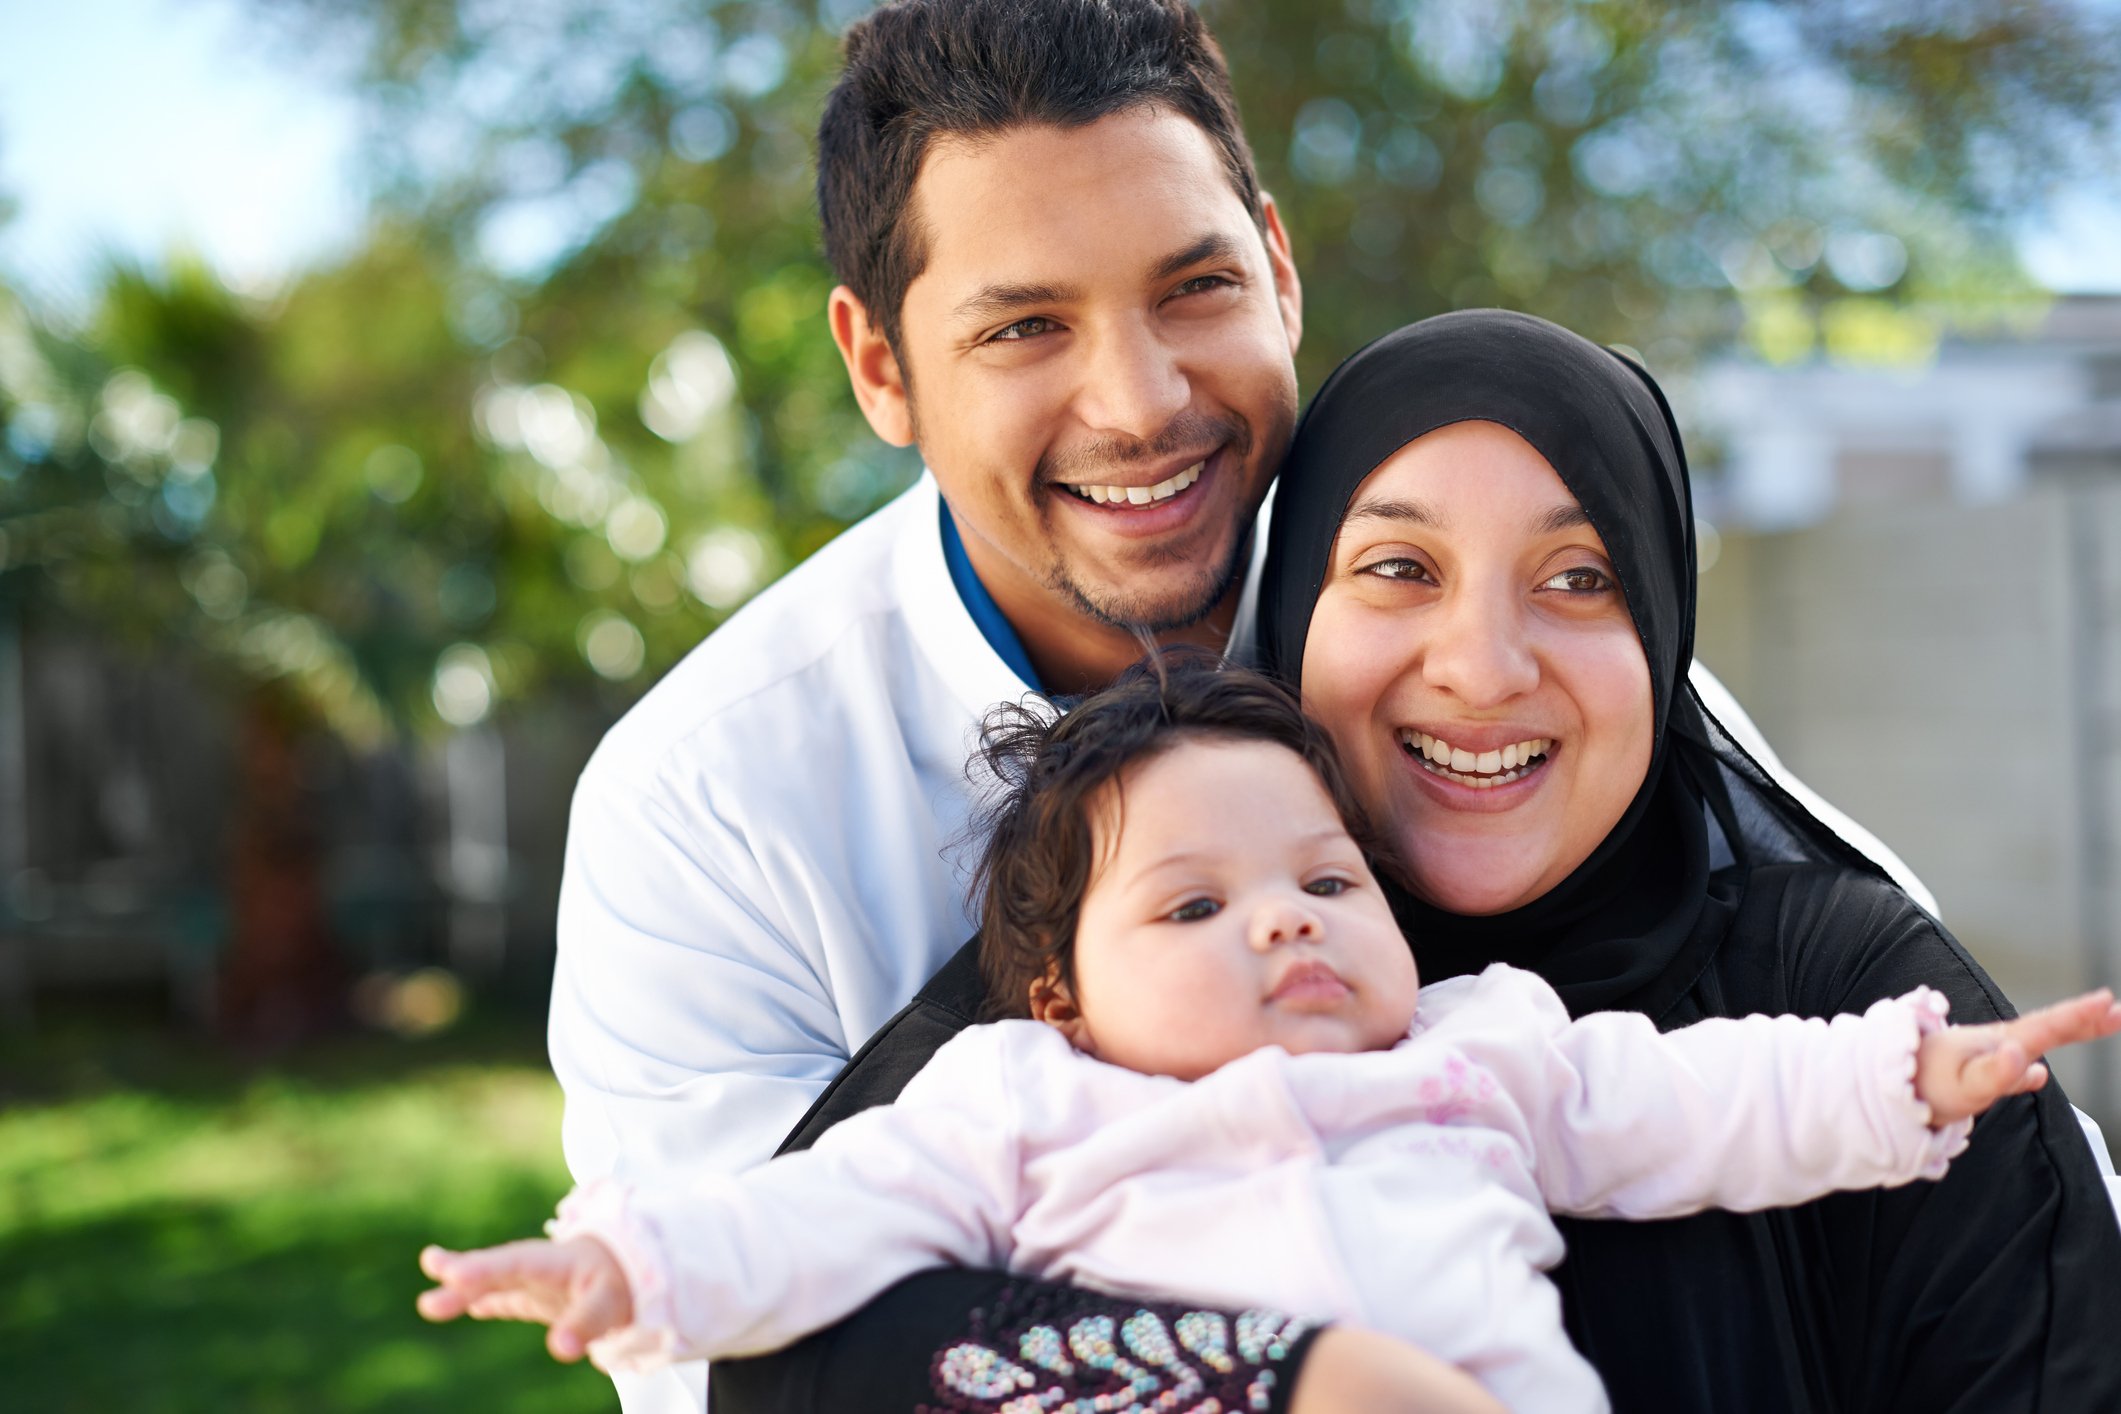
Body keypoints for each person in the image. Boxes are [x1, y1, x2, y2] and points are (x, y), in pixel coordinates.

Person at [545, 1, 1983, 1409]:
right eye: (1025, 327)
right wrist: (1282, 1379)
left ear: (1278, 269)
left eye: (1195, 288)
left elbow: (1816, 958)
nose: (1139, 399)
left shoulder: (1466, 639)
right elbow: (739, 1354)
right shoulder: (705, 805)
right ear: (880, 367)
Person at [427, 662, 2119, 1413]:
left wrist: (1901, 1071)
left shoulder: (1483, 1047)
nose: (1287, 917)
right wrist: (632, 1263)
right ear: (1060, 992)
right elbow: (813, 1215)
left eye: (1325, 875)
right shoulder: (1016, 1102)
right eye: (1193, 905)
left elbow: (1695, 1095)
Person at [1253, 308, 2121, 1409]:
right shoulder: (1135, 991)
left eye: (1579, 577)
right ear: (1290, 613)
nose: (1482, 667)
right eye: (1398, 565)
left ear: (1662, 632)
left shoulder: (1849, 1005)